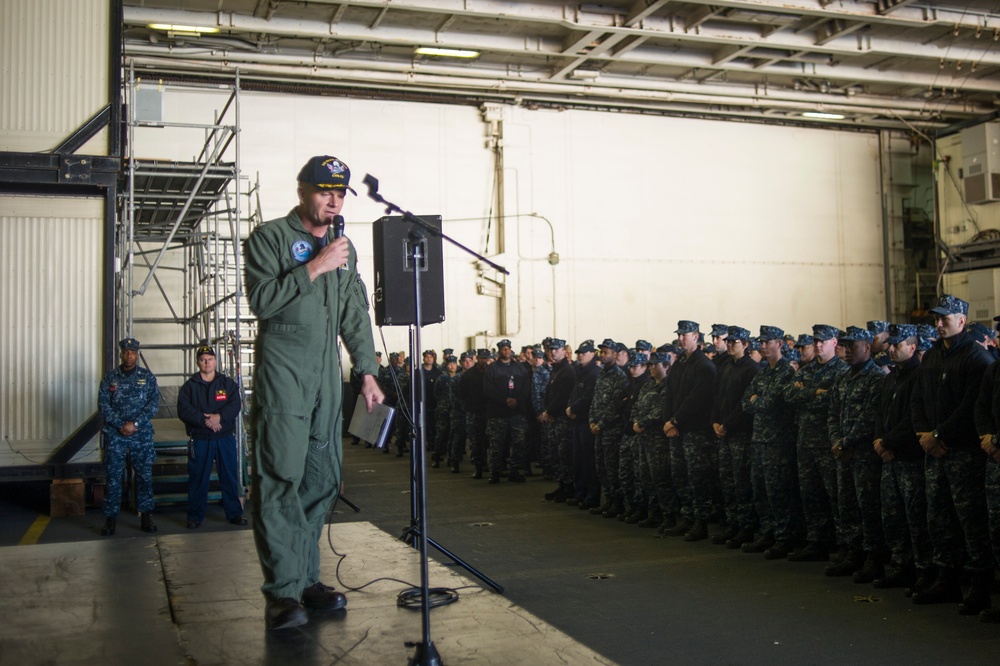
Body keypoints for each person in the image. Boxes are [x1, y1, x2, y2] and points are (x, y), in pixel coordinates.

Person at [243, 154, 384, 631]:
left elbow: (354, 314)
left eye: (340, 193)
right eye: (324, 190)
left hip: (327, 379)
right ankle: (281, 593)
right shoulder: (270, 239)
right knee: (280, 479)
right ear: (303, 191)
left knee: (321, 480)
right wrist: (315, 267)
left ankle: (305, 580)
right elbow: (262, 301)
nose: (333, 199)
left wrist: (366, 370)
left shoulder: (345, 248)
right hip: (285, 377)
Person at [911, 295, 993, 614]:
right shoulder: (932, 356)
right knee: (939, 517)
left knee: (970, 521)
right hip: (935, 451)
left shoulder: (976, 358)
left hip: (963, 453)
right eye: (937, 318)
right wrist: (924, 434)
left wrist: (938, 434)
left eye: (945, 318)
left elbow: (972, 407)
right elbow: (918, 400)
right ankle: (947, 578)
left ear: (962, 321)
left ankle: (979, 585)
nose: (939, 323)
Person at [97, 337, 161, 536]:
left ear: (137, 354)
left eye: (132, 352)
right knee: (114, 477)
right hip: (116, 436)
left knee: (143, 476)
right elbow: (103, 405)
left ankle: (146, 514)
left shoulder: (147, 377)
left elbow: (153, 404)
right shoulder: (110, 377)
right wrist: (120, 424)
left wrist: (135, 424)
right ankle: (110, 518)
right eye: (125, 352)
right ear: (121, 353)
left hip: (140, 435)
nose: (129, 355)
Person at [177, 345, 245, 529]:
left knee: (229, 476)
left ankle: (235, 514)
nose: (206, 362)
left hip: (224, 438)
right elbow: (184, 410)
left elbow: (235, 404)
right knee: (198, 478)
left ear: (215, 361)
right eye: (202, 359)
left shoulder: (227, 384)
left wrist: (219, 417)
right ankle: (195, 516)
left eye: (210, 359)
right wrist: (204, 420)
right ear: (198, 362)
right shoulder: (189, 387)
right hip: (200, 439)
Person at [483, 339, 531, 483]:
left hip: (517, 413)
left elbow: (526, 387)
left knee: (518, 443)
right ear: (499, 351)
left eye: (508, 348)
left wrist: (517, 400)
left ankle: (515, 471)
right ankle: (495, 472)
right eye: (503, 348)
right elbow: (488, 389)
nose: (506, 351)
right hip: (498, 413)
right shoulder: (492, 369)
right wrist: (505, 400)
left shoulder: (520, 368)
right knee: (496, 444)